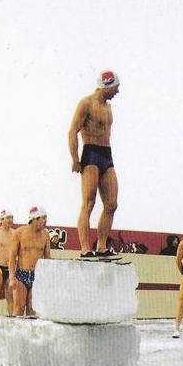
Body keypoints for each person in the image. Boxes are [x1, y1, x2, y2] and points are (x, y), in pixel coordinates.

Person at [68, 70, 121, 257]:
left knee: (112, 204)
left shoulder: (108, 108)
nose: (117, 91)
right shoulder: (86, 104)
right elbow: (72, 131)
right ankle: (84, 248)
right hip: (90, 153)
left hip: (107, 154)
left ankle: (101, 246)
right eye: (116, 87)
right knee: (89, 202)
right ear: (106, 86)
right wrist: (75, 158)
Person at [8, 206, 51, 317]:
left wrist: (47, 279)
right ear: (35, 219)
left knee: (32, 310)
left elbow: (47, 258)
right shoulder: (19, 233)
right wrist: (12, 277)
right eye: (43, 219)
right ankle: (14, 334)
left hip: (37, 276)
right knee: (19, 309)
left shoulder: (46, 234)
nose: (46, 221)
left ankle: (30, 334)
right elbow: (12, 257)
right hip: (21, 275)